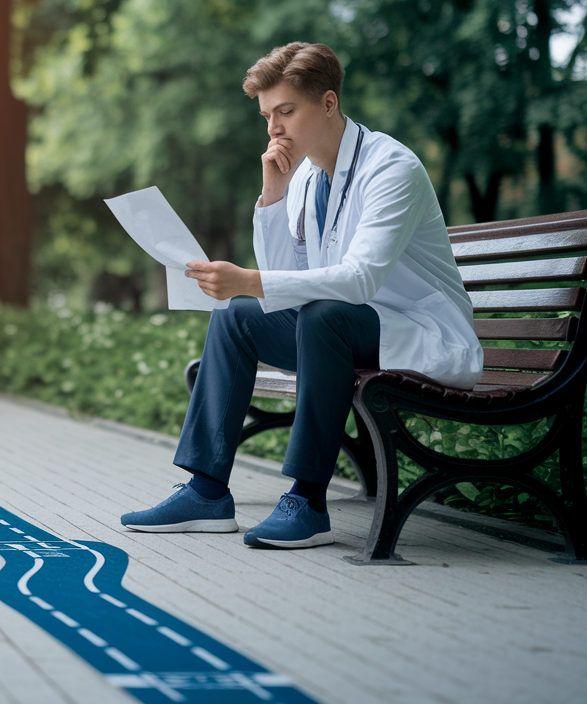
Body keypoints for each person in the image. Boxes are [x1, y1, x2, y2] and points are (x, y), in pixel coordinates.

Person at [120, 42, 483, 548]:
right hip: (342, 331)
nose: (273, 128)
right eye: (267, 115)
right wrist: (273, 195)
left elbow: (358, 280)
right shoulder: (307, 177)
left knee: (322, 316)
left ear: (329, 103)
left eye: (286, 111)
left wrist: (250, 280)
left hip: (421, 334)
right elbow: (280, 285)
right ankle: (206, 493)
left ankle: (307, 502)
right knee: (237, 316)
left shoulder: (391, 168)